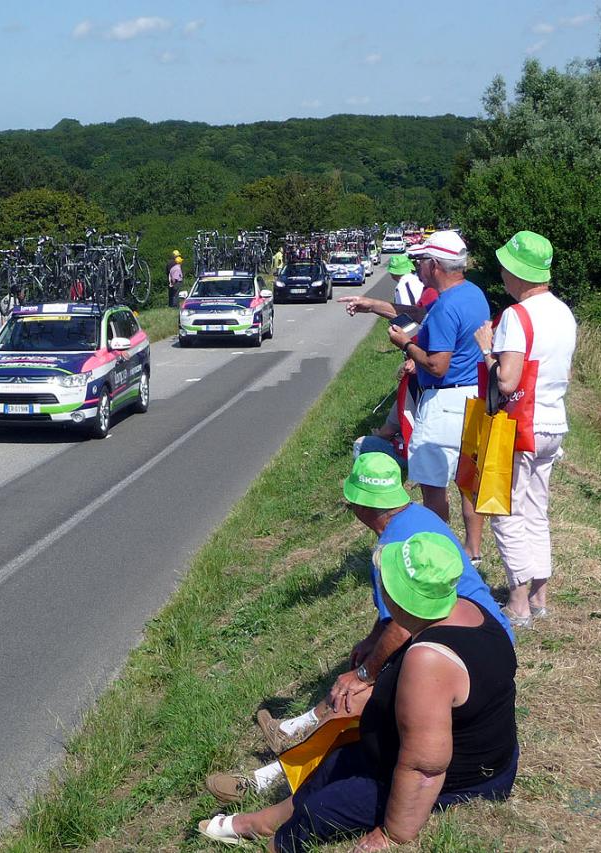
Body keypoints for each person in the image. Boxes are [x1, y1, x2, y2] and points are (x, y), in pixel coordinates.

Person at [205, 454, 512, 805]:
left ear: (362, 506)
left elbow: (401, 625)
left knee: (359, 699)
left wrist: (365, 674)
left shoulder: (393, 545)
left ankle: (272, 777)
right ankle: (297, 733)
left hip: (459, 648)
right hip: (481, 634)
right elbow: (399, 615)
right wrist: (371, 642)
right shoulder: (416, 519)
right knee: (363, 688)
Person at [200, 531, 518, 851]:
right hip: (417, 754)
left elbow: (425, 767)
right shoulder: (466, 608)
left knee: (321, 810)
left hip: (466, 780)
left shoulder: (430, 659)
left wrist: (392, 834)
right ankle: (264, 821)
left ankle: (279, 844)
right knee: (334, 764)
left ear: (400, 596)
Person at [338, 231, 489, 565]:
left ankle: (439, 552)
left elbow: (437, 365)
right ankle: (472, 551)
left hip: (444, 403)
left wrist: (405, 346)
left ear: (434, 265)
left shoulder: (446, 306)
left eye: (421, 260)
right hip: (474, 399)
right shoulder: (472, 294)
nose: (418, 266)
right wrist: (373, 305)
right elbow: (421, 316)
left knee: (432, 485)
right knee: (468, 480)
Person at [473, 231, 576, 628]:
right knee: (537, 509)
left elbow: (507, 381)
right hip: (553, 423)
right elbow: (564, 372)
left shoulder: (517, 316)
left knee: (506, 511)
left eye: (504, 266)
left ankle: (517, 603)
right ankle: (540, 596)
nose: (500, 272)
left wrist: (487, 348)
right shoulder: (563, 312)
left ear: (517, 272)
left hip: (521, 428)